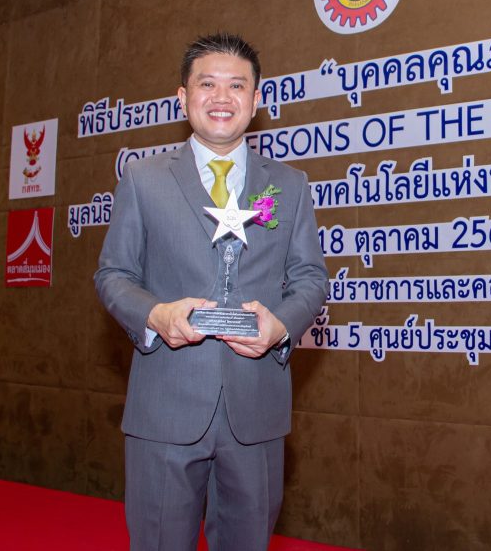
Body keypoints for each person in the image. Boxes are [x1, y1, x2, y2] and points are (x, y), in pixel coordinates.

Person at [95, 33, 329, 551]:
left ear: (256, 99)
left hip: (256, 409)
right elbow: (112, 275)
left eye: (237, 86)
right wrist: (155, 315)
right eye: (207, 84)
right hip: (165, 405)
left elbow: (311, 278)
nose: (222, 97)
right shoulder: (143, 179)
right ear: (183, 97)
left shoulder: (290, 185)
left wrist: (281, 325)